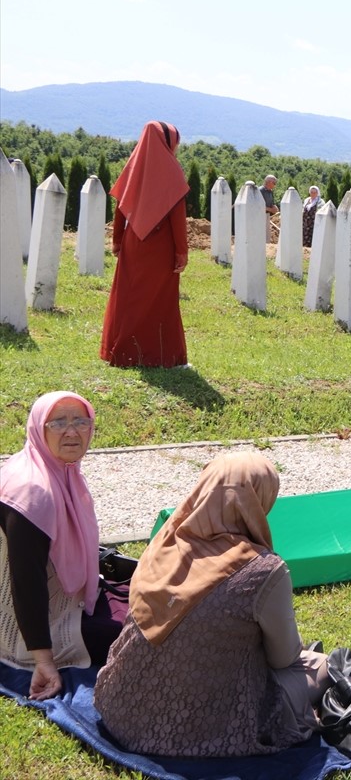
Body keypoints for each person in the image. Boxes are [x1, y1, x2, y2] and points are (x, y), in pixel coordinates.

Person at [94, 454, 330, 757]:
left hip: (122, 709)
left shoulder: (162, 544)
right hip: (205, 730)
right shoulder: (263, 571)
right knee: (321, 666)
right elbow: (284, 659)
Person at [0, 392, 124, 701]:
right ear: (38, 429)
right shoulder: (32, 492)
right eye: (58, 423)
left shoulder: (56, 469)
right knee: (139, 632)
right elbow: (26, 583)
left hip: (67, 599)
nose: (72, 431)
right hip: (27, 625)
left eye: (81, 421)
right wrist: (45, 662)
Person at [99, 120, 189, 368]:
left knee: (128, 297)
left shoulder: (133, 166)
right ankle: (163, 356)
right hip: (161, 246)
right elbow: (177, 217)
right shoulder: (172, 171)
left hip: (132, 242)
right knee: (160, 301)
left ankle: (120, 352)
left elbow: (120, 206)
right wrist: (181, 251)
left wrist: (117, 240)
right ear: (168, 141)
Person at [261, 175, 279, 241]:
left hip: (267, 216)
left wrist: (274, 207)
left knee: (266, 237)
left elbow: (271, 203)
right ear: (269, 182)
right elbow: (258, 206)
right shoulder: (260, 191)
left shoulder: (270, 192)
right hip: (259, 216)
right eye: (274, 183)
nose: (275, 185)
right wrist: (271, 209)